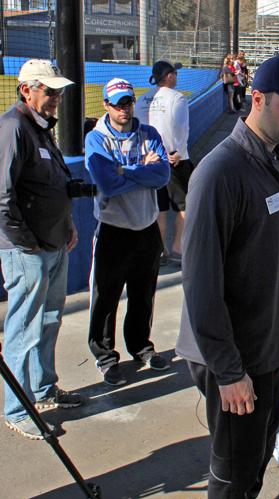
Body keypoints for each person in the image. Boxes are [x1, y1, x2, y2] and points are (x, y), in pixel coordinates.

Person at [175, 55, 279, 499]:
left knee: (256, 462)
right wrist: (228, 372)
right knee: (233, 476)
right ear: (257, 98)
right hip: (233, 356)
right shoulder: (220, 172)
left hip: (269, 346)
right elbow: (200, 281)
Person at [0, 59, 82, 439]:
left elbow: (53, 184)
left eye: (58, 92)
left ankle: (44, 389)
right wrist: (26, 243)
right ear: (26, 90)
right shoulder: (14, 127)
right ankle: (18, 409)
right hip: (27, 251)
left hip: (52, 243)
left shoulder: (39, 128)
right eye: (49, 91)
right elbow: (2, 198)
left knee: (49, 321)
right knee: (24, 328)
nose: (56, 98)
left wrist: (66, 223)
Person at [85, 78, 171, 386]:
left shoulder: (149, 133)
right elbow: (106, 183)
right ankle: (105, 357)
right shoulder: (97, 139)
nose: (125, 108)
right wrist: (140, 172)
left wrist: (124, 170)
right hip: (113, 229)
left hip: (146, 228)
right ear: (106, 106)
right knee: (106, 298)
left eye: (129, 102)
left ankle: (141, 347)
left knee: (143, 295)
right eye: (118, 103)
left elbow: (162, 175)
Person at [135, 60, 192, 264]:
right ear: (168, 76)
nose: (176, 76)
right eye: (174, 73)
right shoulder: (177, 98)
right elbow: (180, 127)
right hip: (174, 158)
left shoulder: (142, 99)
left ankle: (160, 250)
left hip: (150, 159)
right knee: (184, 206)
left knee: (160, 207)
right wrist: (176, 151)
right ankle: (178, 248)